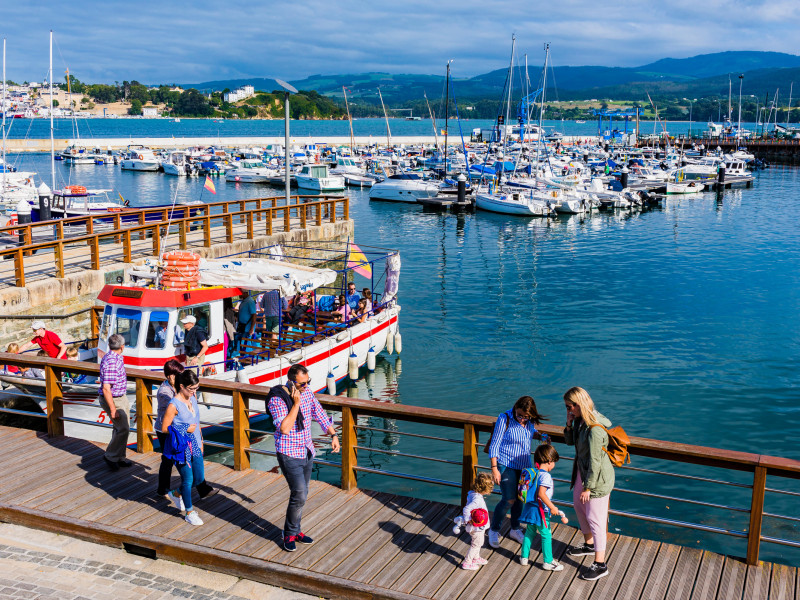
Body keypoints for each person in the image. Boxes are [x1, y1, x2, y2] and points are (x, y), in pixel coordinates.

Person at [267, 364, 340, 552]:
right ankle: (289, 533)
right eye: (302, 384)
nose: (306, 387)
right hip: (288, 452)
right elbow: (284, 428)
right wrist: (296, 404)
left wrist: (333, 434)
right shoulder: (277, 399)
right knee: (299, 493)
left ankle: (296, 530)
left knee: (303, 494)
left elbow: (319, 413)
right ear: (292, 382)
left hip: (307, 450)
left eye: (308, 382)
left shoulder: (307, 393)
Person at [563, 386, 615, 581]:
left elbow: (595, 461)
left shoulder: (594, 430)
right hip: (582, 472)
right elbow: (570, 443)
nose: (568, 410)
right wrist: (569, 425)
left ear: (579, 404)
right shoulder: (580, 421)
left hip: (596, 480)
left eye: (570, 407)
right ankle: (589, 544)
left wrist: (588, 488)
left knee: (595, 519)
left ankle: (600, 564)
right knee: (578, 505)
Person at [487, 396, 547, 548]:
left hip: (524, 467)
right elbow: (495, 443)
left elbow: (530, 432)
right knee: (508, 499)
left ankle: (515, 528)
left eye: (525, 417)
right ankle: (493, 530)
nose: (521, 419)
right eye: (519, 415)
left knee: (520, 498)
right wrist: (494, 469)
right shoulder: (504, 418)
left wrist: (541, 436)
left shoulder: (529, 421)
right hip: (505, 464)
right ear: (515, 408)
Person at [161, 369, 207, 526]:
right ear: (182, 386)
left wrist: (201, 441)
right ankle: (189, 511)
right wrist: (185, 428)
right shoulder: (173, 405)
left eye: (196, 388)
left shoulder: (193, 399)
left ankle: (176, 493)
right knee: (188, 479)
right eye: (192, 388)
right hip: (181, 447)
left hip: (195, 444)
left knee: (199, 478)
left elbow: (198, 421)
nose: (194, 392)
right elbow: (164, 428)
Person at [518, 444, 569, 569]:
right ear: (549, 461)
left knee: (529, 532)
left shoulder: (534, 472)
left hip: (530, 507)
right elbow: (541, 493)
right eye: (554, 462)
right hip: (540, 511)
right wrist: (552, 507)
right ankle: (548, 561)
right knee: (546, 535)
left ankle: (524, 557)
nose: (554, 465)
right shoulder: (545, 476)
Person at [98, 333, 131, 471]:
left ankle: (119, 457)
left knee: (121, 427)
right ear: (122, 347)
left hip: (120, 396)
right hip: (114, 399)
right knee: (123, 428)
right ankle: (111, 456)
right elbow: (106, 388)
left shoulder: (112, 357)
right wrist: (113, 409)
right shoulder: (112, 361)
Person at [454, 472, 493, 571]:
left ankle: (476, 558)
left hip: (478, 526)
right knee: (476, 544)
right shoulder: (477, 500)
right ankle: (467, 562)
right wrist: (468, 520)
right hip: (477, 527)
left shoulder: (473, 494)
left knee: (478, 542)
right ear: (485, 489)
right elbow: (466, 509)